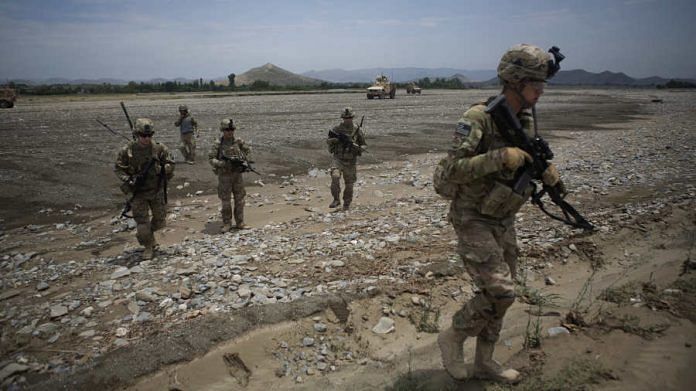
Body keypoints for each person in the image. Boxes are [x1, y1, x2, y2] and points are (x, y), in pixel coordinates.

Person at [437, 44, 563, 383]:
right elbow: (447, 173)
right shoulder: (478, 118)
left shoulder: (524, 119)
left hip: (503, 218)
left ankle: (485, 362)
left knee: (502, 297)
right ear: (515, 81)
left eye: (542, 83)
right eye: (535, 83)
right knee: (502, 291)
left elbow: (526, 160)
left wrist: (546, 170)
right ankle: (453, 337)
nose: (540, 90)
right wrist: (499, 157)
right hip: (473, 217)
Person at [115, 118, 175, 260]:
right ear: (137, 134)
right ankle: (148, 246)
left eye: (149, 135)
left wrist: (162, 169)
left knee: (160, 220)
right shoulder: (127, 150)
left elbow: (171, 164)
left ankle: (147, 234)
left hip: (156, 190)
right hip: (138, 192)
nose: (147, 138)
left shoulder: (159, 148)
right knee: (142, 222)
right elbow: (118, 169)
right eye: (143, 135)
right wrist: (129, 179)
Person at [208, 118, 251, 232]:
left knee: (240, 199)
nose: (230, 132)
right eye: (227, 129)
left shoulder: (238, 141)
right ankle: (227, 223)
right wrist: (220, 163)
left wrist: (243, 160)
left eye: (231, 129)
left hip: (237, 175)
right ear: (223, 130)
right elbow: (211, 158)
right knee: (226, 201)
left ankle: (240, 222)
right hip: (224, 176)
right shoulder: (218, 144)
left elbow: (248, 151)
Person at [326, 107, 366, 211]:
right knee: (335, 176)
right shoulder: (337, 129)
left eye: (349, 117)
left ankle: (346, 204)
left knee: (349, 184)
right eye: (345, 118)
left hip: (351, 160)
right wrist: (335, 140)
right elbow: (328, 141)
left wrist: (359, 148)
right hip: (338, 158)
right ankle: (336, 199)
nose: (347, 119)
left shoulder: (357, 130)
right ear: (342, 118)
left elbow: (364, 145)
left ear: (352, 118)